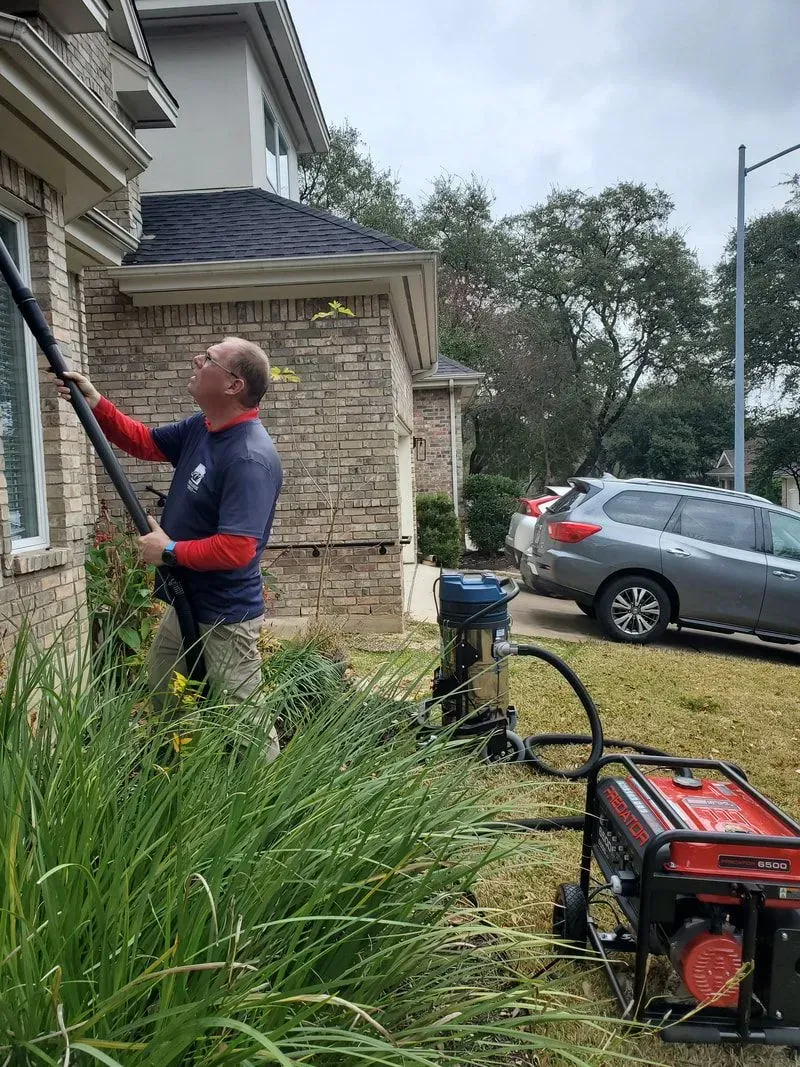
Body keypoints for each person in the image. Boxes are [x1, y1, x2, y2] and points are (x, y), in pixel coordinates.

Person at [59, 336, 283, 760]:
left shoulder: (249, 457)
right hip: (186, 602)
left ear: (233, 385)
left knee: (244, 719)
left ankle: (270, 806)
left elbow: (237, 549)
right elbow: (145, 442)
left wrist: (170, 551)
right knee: (165, 692)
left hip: (224, 615)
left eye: (209, 358)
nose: (196, 359)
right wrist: (96, 403)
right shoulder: (203, 428)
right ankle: (180, 778)